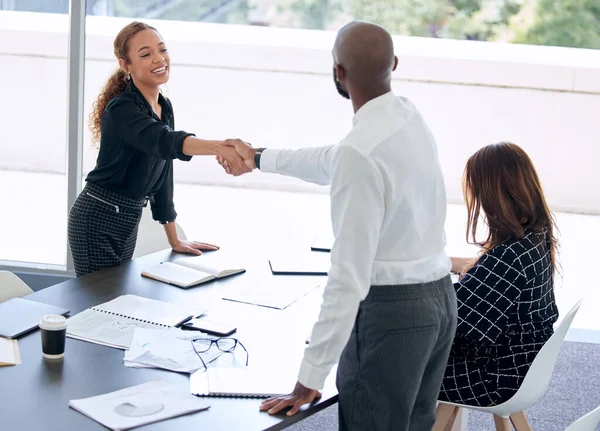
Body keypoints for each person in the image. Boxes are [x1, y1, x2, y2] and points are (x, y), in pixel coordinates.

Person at [218, 20, 457, 431]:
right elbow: (334, 158)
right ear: (394, 64)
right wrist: (259, 157)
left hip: (392, 316)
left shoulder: (359, 153)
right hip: (438, 302)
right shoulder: (408, 117)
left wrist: (310, 376)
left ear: (338, 72)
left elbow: (348, 277)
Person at [68, 21, 250, 277]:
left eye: (162, 50)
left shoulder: (164, 106)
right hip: (97, 217)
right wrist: (222, 147)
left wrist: (174, 240)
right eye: (145, 54)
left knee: (116, 300)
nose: (159, 59)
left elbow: (164, 174)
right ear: (126, 65)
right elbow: (164, 141)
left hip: (128, 218)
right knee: (100, 303)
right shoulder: (121, 109)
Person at [436, 142, 559, 410]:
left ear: (492, 195)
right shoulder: (535, 237)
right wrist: (437, 263)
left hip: (493, 379)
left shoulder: (509, 258)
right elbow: (484, 269)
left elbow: (448, 319)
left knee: (396, 361)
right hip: (522, 367)